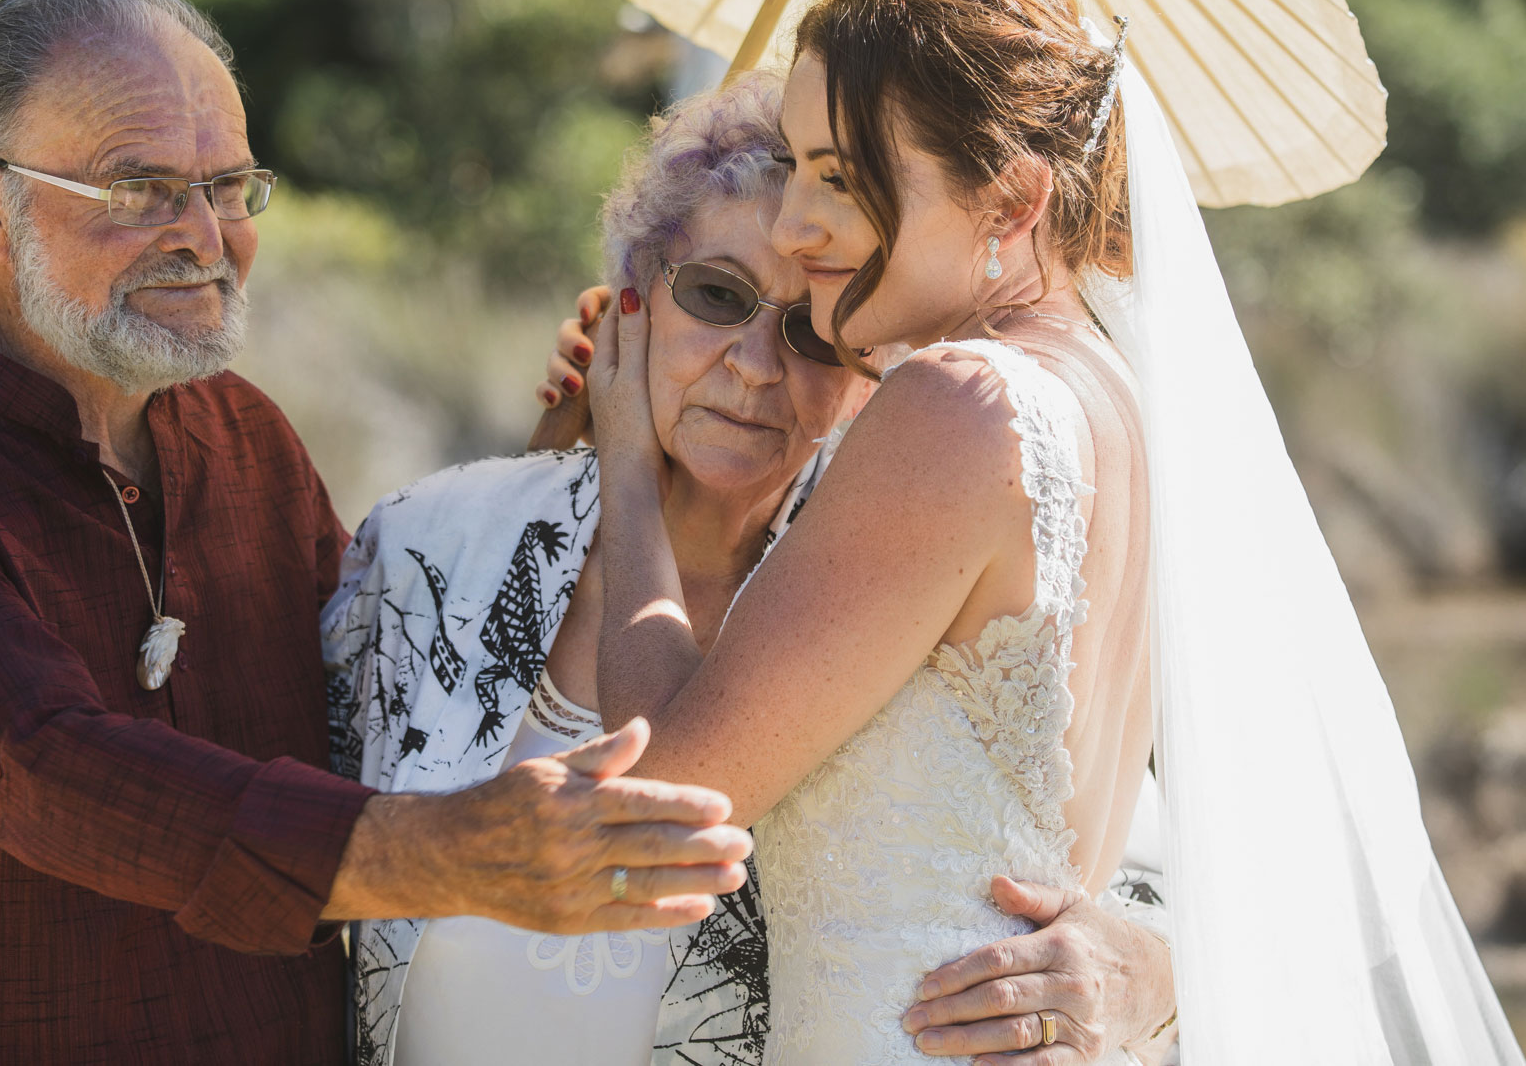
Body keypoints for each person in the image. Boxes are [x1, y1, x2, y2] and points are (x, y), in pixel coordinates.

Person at [583, 0, 1526, 1066]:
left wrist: (629, 473)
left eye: (840, 175)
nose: (793, 226)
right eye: (793, 166)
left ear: (1009, 199)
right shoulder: (1105, 401)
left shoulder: (955, 408)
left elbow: (660, 796)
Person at [0, 0, 750, 1065]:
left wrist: (559, 466)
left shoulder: (241, 435)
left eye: (229, 185)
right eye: (138, 187)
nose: (205, 235)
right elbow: (49, 770)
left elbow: (383, 690)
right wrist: (446, 853)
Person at [323, 73, 1179, 1066]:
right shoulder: (431, 544)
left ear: (871, 372)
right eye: (716, 295)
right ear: (626, 304)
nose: (755, 365)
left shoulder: (896, 574)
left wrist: (1143, 971)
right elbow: (286, 854)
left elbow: (1124, 857)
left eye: (814, 331)